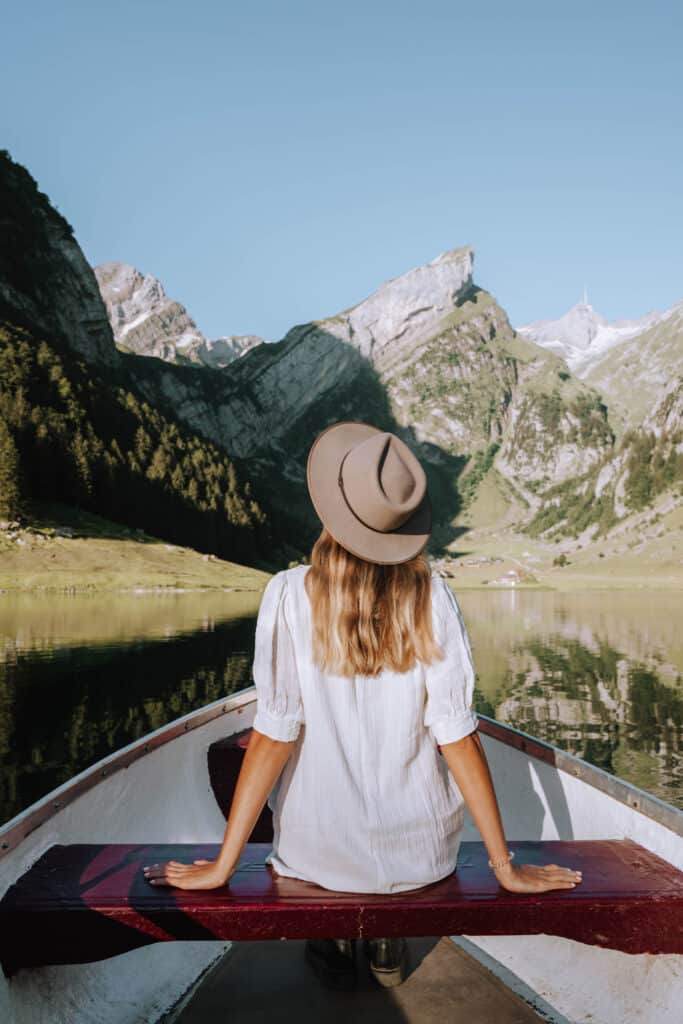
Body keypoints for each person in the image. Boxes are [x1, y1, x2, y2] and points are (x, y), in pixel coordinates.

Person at [143, 421, 583, 989]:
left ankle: (332, 944)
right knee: (409, 815)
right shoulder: (434, 596)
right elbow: (456, 735)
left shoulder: (287, 594)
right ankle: (384, 942)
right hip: (422, 856)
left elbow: (274, 734)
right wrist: (506, 869)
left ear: (330, 513)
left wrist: (224, 866)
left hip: (317, 853)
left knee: (316, 838)